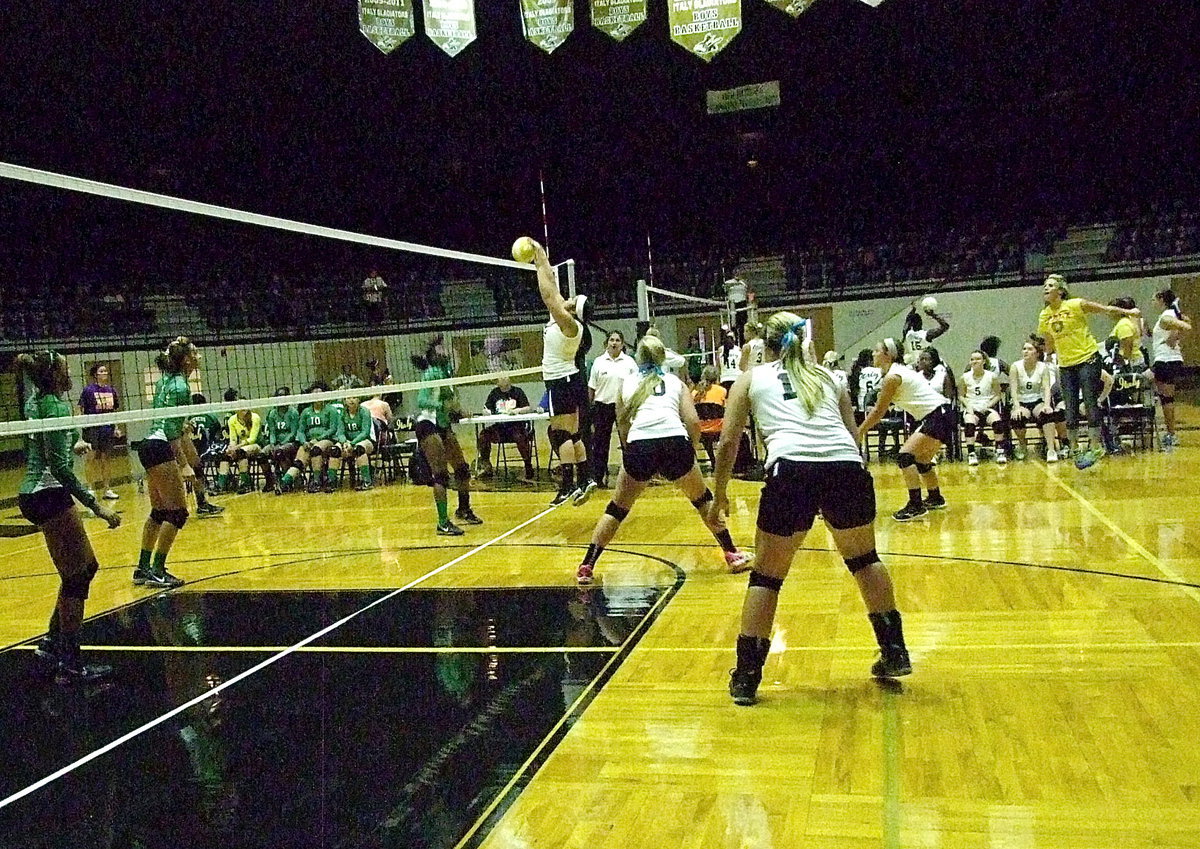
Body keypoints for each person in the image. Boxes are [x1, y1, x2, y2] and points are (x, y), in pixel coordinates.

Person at [711, 312, 911, 706]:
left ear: (762, 345)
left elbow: (728, 442)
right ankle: (895, 652)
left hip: (792, 470)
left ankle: (747, 677)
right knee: (865, 559)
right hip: (846, 468)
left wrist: (719, 495)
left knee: (767, 578)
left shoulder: (751, 378)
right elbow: (853, 438)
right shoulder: (830, 378)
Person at [574, 334, 752, 586]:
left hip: (640, 445)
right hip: (674, 442)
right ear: (662, 357)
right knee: (703, 501)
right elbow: (692, 421)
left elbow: (623, 422)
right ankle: (732, 554)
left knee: (617, 509)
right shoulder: (674, 382)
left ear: (639, 358)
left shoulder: (626, 382)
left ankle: (587, 566)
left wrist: (629, 451)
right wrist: (689, 449)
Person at [17, 351, 122, 681]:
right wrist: (96, 505)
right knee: (78, 576)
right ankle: (71, 663)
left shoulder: (35, 401)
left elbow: (46, 448)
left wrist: (69, 445)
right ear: (54, 375)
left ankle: (52, 641)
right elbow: (59, 468)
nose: (69, 371)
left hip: (35, 491)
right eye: (64, 367)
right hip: (47, 493)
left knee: (83, 569)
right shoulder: (56, 405)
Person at [1036, 273, 1140, 469]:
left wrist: (1129, 312)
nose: (1046, 288)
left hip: (1088, 358)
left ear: (1060, 291)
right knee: (1070, 405)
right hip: (1066, 363)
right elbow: (1049, 339)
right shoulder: (1044, 315)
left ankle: (1095, 445)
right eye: (1044, 286)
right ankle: (1074, 447)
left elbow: (1105, 309)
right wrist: (1048, 355)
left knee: (1090, 400)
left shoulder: (1075, 304)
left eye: (1050, 285)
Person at [528, 238, 596, 507]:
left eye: (573, 300)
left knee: (560, 435)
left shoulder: (569, 325)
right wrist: (540, 257)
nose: (568, 299)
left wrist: (539, 266)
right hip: (570, 379)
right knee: (574, 434)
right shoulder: (568, 321)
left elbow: (548, 297)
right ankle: (585, 478)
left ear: (574, 310)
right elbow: (551, 287)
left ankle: (567, 486)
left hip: (561, 382)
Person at [136, 336, 207, 589]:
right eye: (195, 353)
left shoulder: (167, 379)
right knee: (178, 513)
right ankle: (156, 570)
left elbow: (169, 420)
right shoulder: (181, 386)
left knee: (159, 512)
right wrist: (184, 463)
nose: (199, 356)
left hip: (148, 445)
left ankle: (142, 568)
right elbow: (172, 431)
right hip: (161, 447)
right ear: (186, 359)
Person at [858, 338, 954, 520]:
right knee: (922, 459)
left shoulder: (893, 377)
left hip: (937, 415)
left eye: (877, 350)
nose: (873, 353)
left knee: (905, 456)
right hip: (942, 414)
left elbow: (879, 411)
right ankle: (935, 497)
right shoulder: (897, 372)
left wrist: (860, 431)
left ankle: (916, 505)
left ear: (888, 355)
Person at [413, 336, 482, 534]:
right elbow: (422, 401)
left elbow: (451, 400)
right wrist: (444, 405)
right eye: (443, 351)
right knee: (441, 475)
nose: (447, 353)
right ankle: (442, 523)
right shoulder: (431, 374)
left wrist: (458, 410)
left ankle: (464, 510)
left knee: (462, 469)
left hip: (443, 426)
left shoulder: (447, 373)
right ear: (435, 356)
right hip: (428, 425)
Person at [587, 330, 637, 487]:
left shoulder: (630, 363)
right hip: (603, 406)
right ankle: (598, 478)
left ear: (622, 344)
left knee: (627, 443)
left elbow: (637, 385)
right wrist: (590, 408)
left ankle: (632, 476)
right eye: (611, 340)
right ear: (606, 343)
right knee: (601, 445)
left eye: (617, 340)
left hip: (624, 407)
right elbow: (591, 387)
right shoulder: (598, 362)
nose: (614, 343)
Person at [1148, 289, 1192, 450]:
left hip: (1166, 360)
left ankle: (1171, 434)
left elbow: (1186, 326)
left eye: (1154, 299)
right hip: (1168, 360)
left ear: (1161, 300)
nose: (1152, 303)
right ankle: (1170, 433)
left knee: (1166, 398)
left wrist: (1173, 338)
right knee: (1165, 398)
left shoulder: (1167, 316)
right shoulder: (1169, 315)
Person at [476, 375, 537, 483]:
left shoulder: (518, 392)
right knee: (483, 435)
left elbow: (528, 408)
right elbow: (486, 408)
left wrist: (517, 411)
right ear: (497, 382)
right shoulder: (494, 393)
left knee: (520, 437)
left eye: (506, 377)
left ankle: (528, 465)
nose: (503, 378)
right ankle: (486, 465)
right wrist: (486, 412)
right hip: (500, 428)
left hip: (516, 426)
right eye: (501, 377)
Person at [285, 383, 342, 494]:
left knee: (316, 449)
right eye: (314, 394)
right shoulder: (306, 412)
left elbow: (333, 429)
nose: (317, 396)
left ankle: (317, 481)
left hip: (327, 440)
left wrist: (319, 438)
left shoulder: (331, 410)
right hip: (310, 442)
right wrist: (304, 441)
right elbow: (300, 431)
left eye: (320, 394)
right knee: (300, 459)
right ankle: (284, 482)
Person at [1009, 339, 1060, 461]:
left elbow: (1047, 388)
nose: (1026, 351)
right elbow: (1013, 390)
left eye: (1030, 349)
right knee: (1018, 417)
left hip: (1037, 400)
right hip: (1022, 401)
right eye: (1024, 349)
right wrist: (1016, 408)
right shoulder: (1015, 367)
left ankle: (1051, 449)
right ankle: (1022, 444)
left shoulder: (1043, 367)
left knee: (1047, 414)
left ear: (1037, 353)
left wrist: (1047, 405)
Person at [78, 362, 121, 500]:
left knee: (106, 459)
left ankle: (107, 489)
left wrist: (116, 427)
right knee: (91, 458)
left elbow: (114, 411)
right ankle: (90, 488)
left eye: (106, 371)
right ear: (96, 375)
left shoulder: (111, 391)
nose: (105, 373)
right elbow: (81, 408)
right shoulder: (88, 390)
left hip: (107, 429)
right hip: (92, 429)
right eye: (102, 371)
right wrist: (82, 425)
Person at [960, 351, 1006, 465]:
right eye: (972, 359)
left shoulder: (991, 376)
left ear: (984, 361)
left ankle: (999, 451)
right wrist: (968, 406)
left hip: (987, 407)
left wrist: (988, 405)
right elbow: (961, 395)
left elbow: (998, 395)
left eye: (978, 359)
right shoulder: (965, 377)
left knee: (997, 421)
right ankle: (971, 453)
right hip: (972, 407)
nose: (974, 361)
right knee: (969, 422)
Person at [219, 393, 269, 494]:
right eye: (241, 406)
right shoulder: (232, 420)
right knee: (226, 455)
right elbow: (233, 438)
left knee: (241, 452)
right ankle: (221, 486)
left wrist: (237, 447)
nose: (243, 408)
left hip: (258, 446)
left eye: (245, 405)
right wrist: (231, 447)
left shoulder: (255, 417)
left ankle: (245, 484)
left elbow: (253, 439)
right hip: (241, 447)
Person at [337, 394, 377, 490]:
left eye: (354, 397)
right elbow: (340, 432)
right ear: (345, 400)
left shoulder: (364, 412)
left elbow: (365, 432)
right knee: (335, 450)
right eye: (348, 397)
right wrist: (344, 442)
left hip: (366, 441)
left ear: (359, 399)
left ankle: (367, 482)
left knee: (359, 449)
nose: (351, 400)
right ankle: (332, 483)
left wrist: (352, 443)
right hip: (348, 442)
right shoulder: (342, 413)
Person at [264, 387, 301, 493]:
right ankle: (270, 481)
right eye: (279, 396)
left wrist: (282, 444)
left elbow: (293, 433)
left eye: (283, 396)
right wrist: (272, 443)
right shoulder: (272, 413)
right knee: (262, 455)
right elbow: (272, 432)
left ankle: (286, 482)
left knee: (280, 452)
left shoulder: (293, 413)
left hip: (290, 442)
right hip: (277, 442)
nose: (281, 399)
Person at [692, 364, 727, 470]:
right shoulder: (722, 391)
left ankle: (712, 459)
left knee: (706, 436)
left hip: (701, 431)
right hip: (718, 430)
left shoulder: (695, 393)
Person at [901, 302, 950, 366]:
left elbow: (907, 322)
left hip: (917, 365)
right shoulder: (926, 335)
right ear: (921, 322)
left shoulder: (908, 334)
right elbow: (945, 326)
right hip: (928, 364)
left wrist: (913, 310)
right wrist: (932, 315)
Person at [1107, 297, 1147, 367]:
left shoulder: (1123, 325)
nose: (1108, 313)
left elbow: (1128, 346)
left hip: (1132, 363)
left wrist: (1124, 363)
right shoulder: (1122, 323)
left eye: (1111, 311)